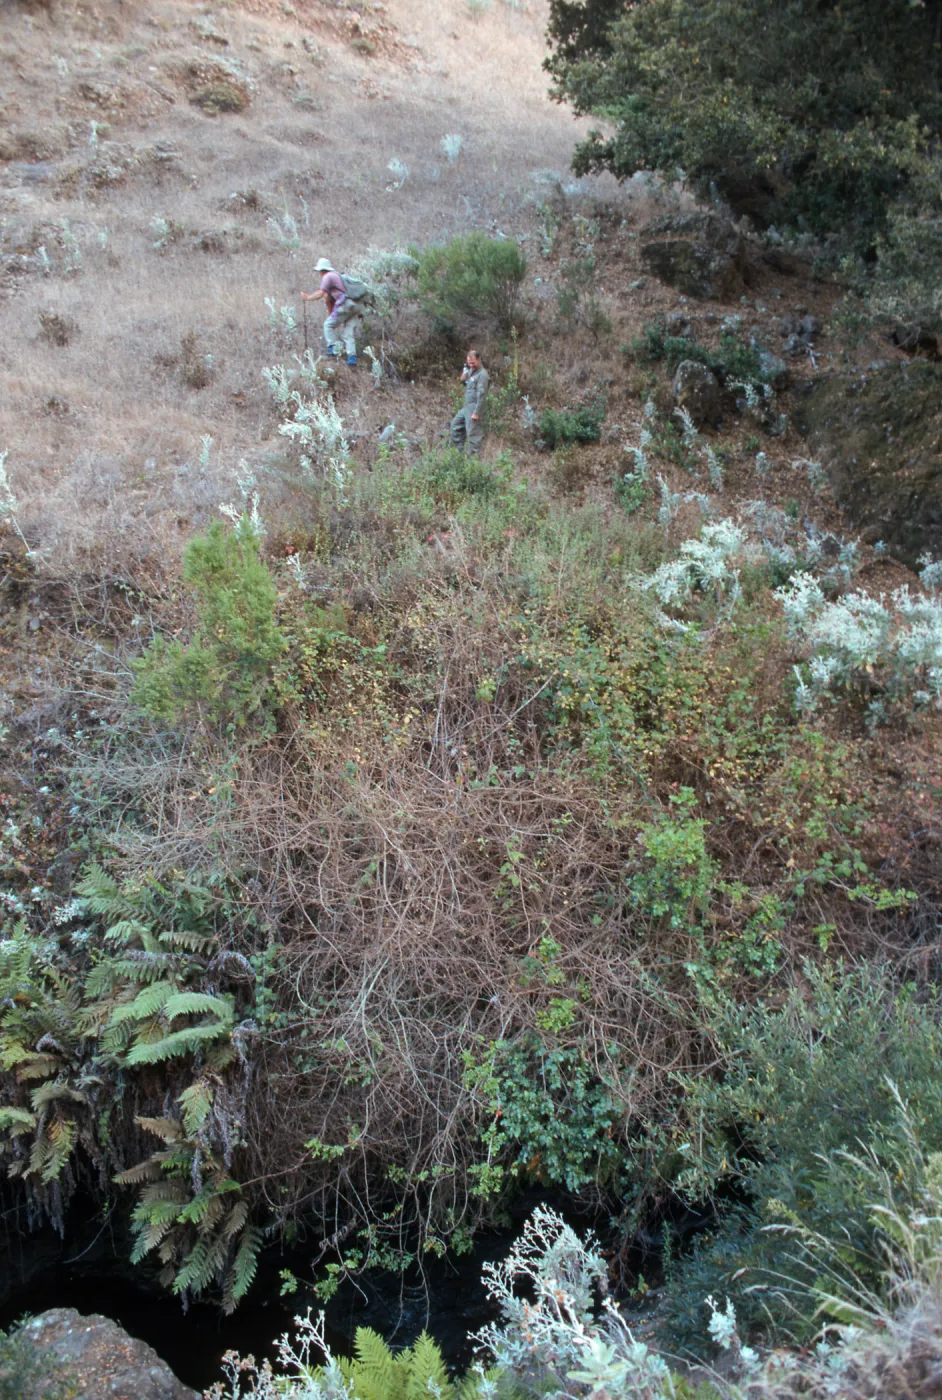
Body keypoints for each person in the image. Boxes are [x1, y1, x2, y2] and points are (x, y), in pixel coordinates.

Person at [301, 257, 360, 366]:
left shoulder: (328, 277)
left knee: (328, 325)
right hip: (355, 306)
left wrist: (307, 298)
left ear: (321, 270)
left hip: (345, 305)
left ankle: (333, 349)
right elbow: (328, 299)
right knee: (348, 332)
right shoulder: (337, 276)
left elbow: (321, 293)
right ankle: (352, 358)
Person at [450, 349, 489, 457]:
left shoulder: (482, 375)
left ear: (479, 360)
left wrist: (476, 412)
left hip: (474, 409)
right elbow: (470, 387)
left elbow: (482, 395)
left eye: (473, 363)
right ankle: (460, 455)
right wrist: (463, 380)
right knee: (455, 426)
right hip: (466, 408)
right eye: (469, 363)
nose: (471, 365)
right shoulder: (471, 371)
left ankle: (473, 462)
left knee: (473, 435)